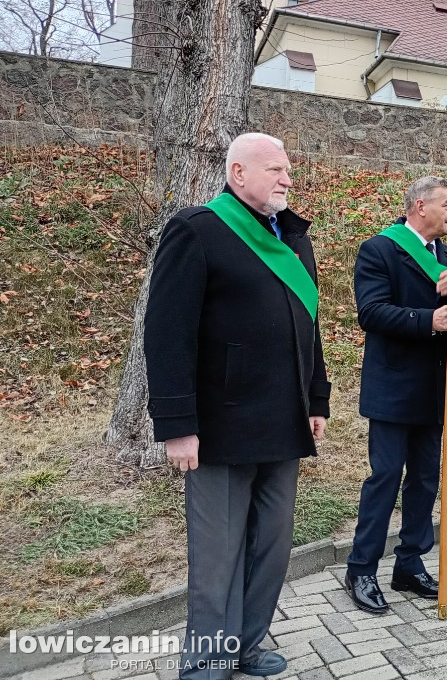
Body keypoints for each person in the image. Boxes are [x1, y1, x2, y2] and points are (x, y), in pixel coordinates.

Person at [144, 132, 331, 679]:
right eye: (274, 169)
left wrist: (316, 397)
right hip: (221, 427)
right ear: (238, 173)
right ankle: (206, 662)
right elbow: (167, 334)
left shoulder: (294, 238)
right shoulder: (197, 230)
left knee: (270, 548)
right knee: (217, 558)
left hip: (285, 420)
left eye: (288, 170)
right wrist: (177, 425)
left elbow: (309, 326)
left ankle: (245, 646)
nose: (286, 179)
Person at [345, 176, 447, 614]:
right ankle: (361, 569)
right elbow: (371, 312)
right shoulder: (380, 249)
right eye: (446, 204)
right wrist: (429, 318)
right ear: (418, 205)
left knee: (426, 481)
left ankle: (409, 564)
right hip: (394, 387)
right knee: (386, 479)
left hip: (436, 387)